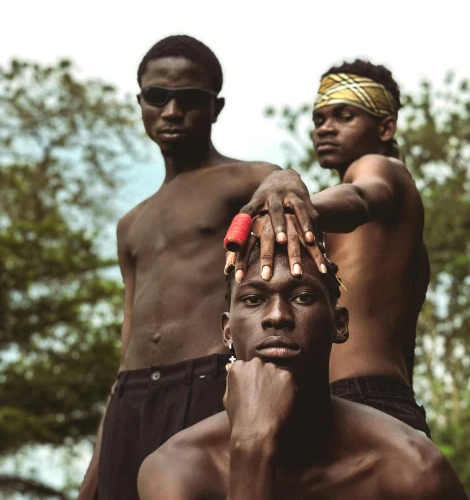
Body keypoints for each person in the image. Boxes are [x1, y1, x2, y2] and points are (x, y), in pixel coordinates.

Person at [78, 35, 317, 500]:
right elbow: (128, 338)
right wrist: (98, 463)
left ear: (215, 107)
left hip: (208, 380)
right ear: (141, 102)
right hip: (130, 396)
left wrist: (286, 177)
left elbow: (278, 181)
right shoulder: (131, 223)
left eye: (189, 99)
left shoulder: (239, 180)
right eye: (157, 97)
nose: (171, 111)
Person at [138, 240, 466, 499]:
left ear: (339, 325)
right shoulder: (176, 469)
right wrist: (252, 447)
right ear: (227, 331)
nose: (277, 315)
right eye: (253, 300)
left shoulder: (412, 469)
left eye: (303, 296)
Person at [232, 59, 432, 435]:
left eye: (344, 116)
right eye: (319, 118)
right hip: (380, 400)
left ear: (386, 127)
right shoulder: (398, 231)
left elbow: (361, 197)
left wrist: (292, 200)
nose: (326, 127)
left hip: (363, 398)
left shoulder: (382, 169)